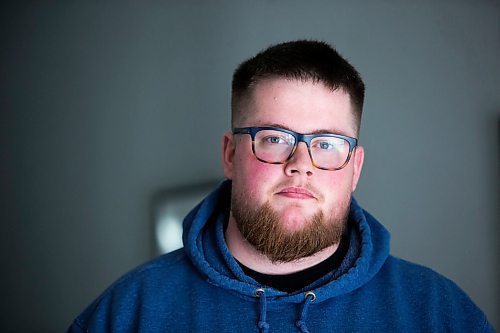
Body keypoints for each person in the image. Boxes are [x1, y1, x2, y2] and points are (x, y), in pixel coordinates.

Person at [67, 40, 494, 333]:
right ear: (230, 155)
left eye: (327, 144)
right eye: (275, 138)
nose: (301, 165)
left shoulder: (439, 313)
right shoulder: (127, 314)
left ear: (355, 167)